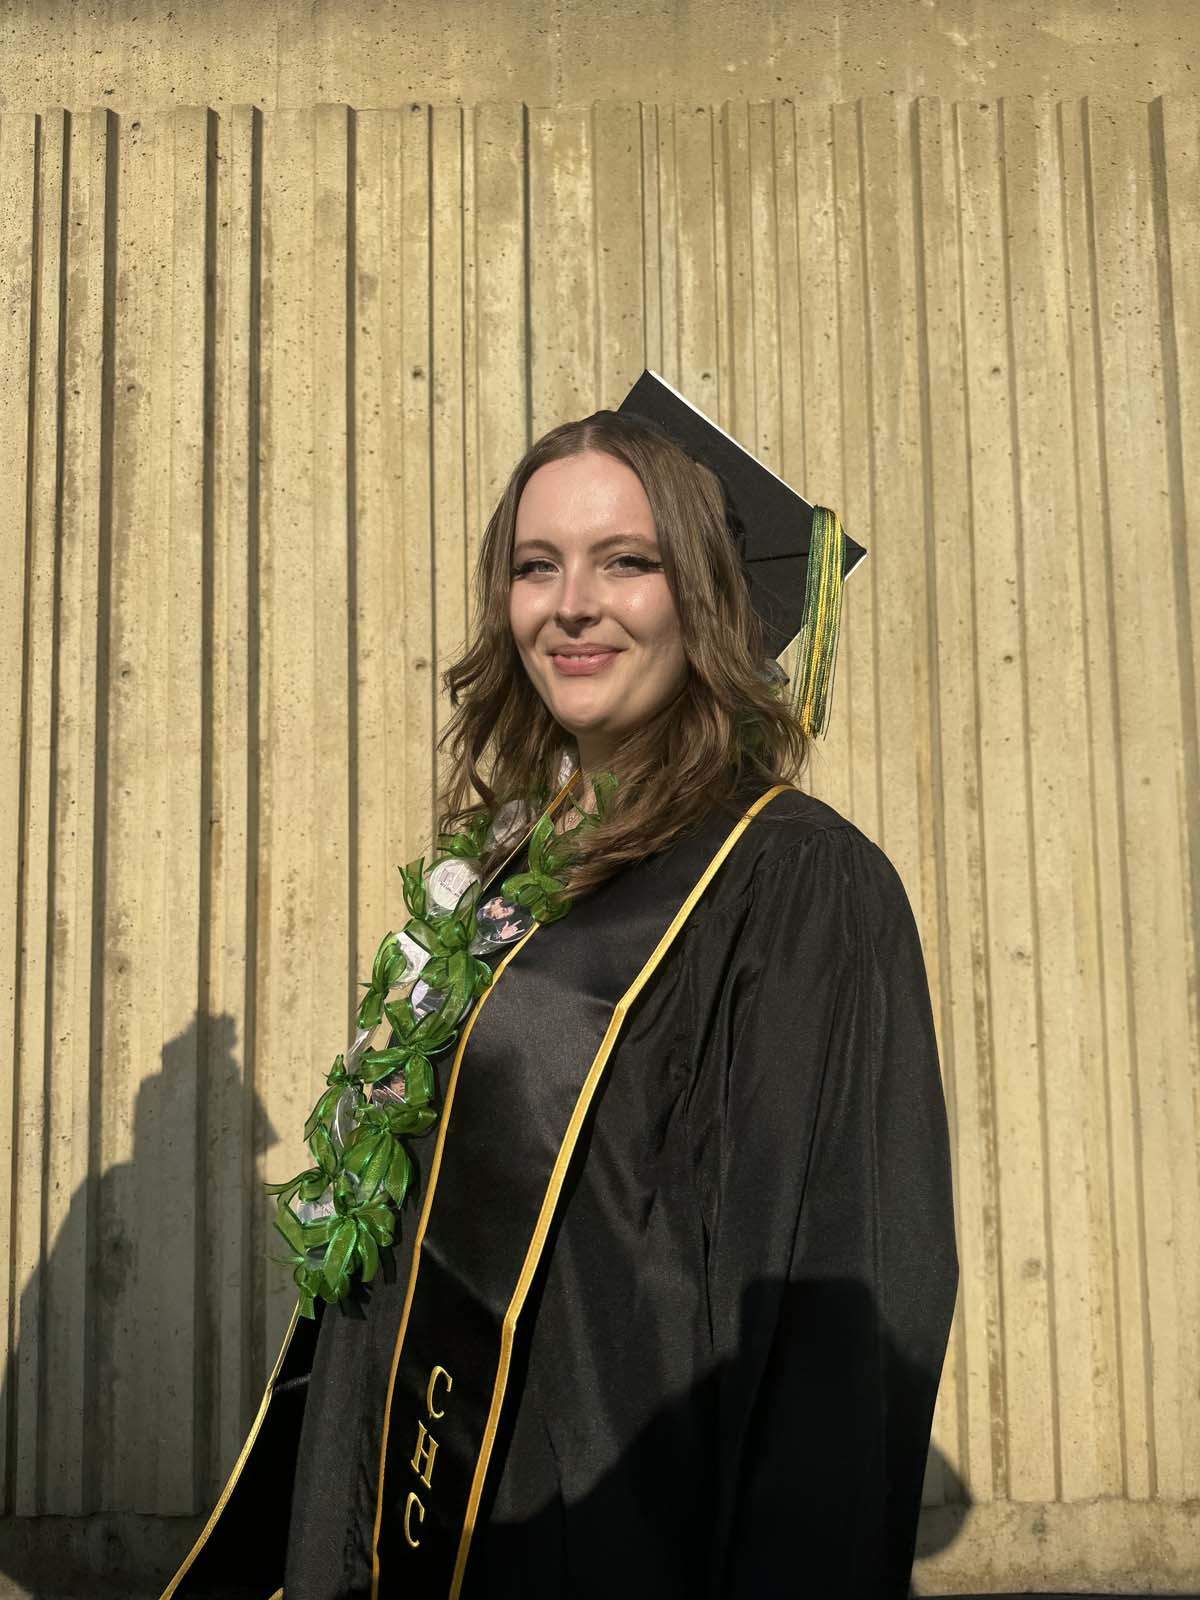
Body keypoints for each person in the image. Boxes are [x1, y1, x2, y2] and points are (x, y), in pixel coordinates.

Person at [161, 371, 958, 1600]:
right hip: (411, 1509)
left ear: (707, 595)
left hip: (609, 1527)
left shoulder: (797, 890)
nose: (572, 607)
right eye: (537, 566)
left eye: (624, 561)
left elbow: (832, 1328)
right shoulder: (503, 868)